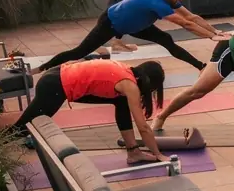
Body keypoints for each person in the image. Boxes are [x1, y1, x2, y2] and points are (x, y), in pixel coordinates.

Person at [34, 0, 229, 74]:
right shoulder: (157, 3)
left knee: (166, 40)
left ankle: (200, 67)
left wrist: (215, 31)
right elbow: (186, 23)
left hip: (138, 24)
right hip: (111, 23)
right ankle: (41, 68)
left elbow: (192, 16)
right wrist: (210, 38)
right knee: (80, 51)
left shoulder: (168, 0)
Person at [11, 60, 166, 164]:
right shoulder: (129, 86)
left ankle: (133, 152)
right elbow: (143, 127)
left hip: (56, 76)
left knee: (120, 101)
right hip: (55, 85)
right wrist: (158, 155)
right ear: (149, 82)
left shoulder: (126, 71)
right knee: (23, 127)